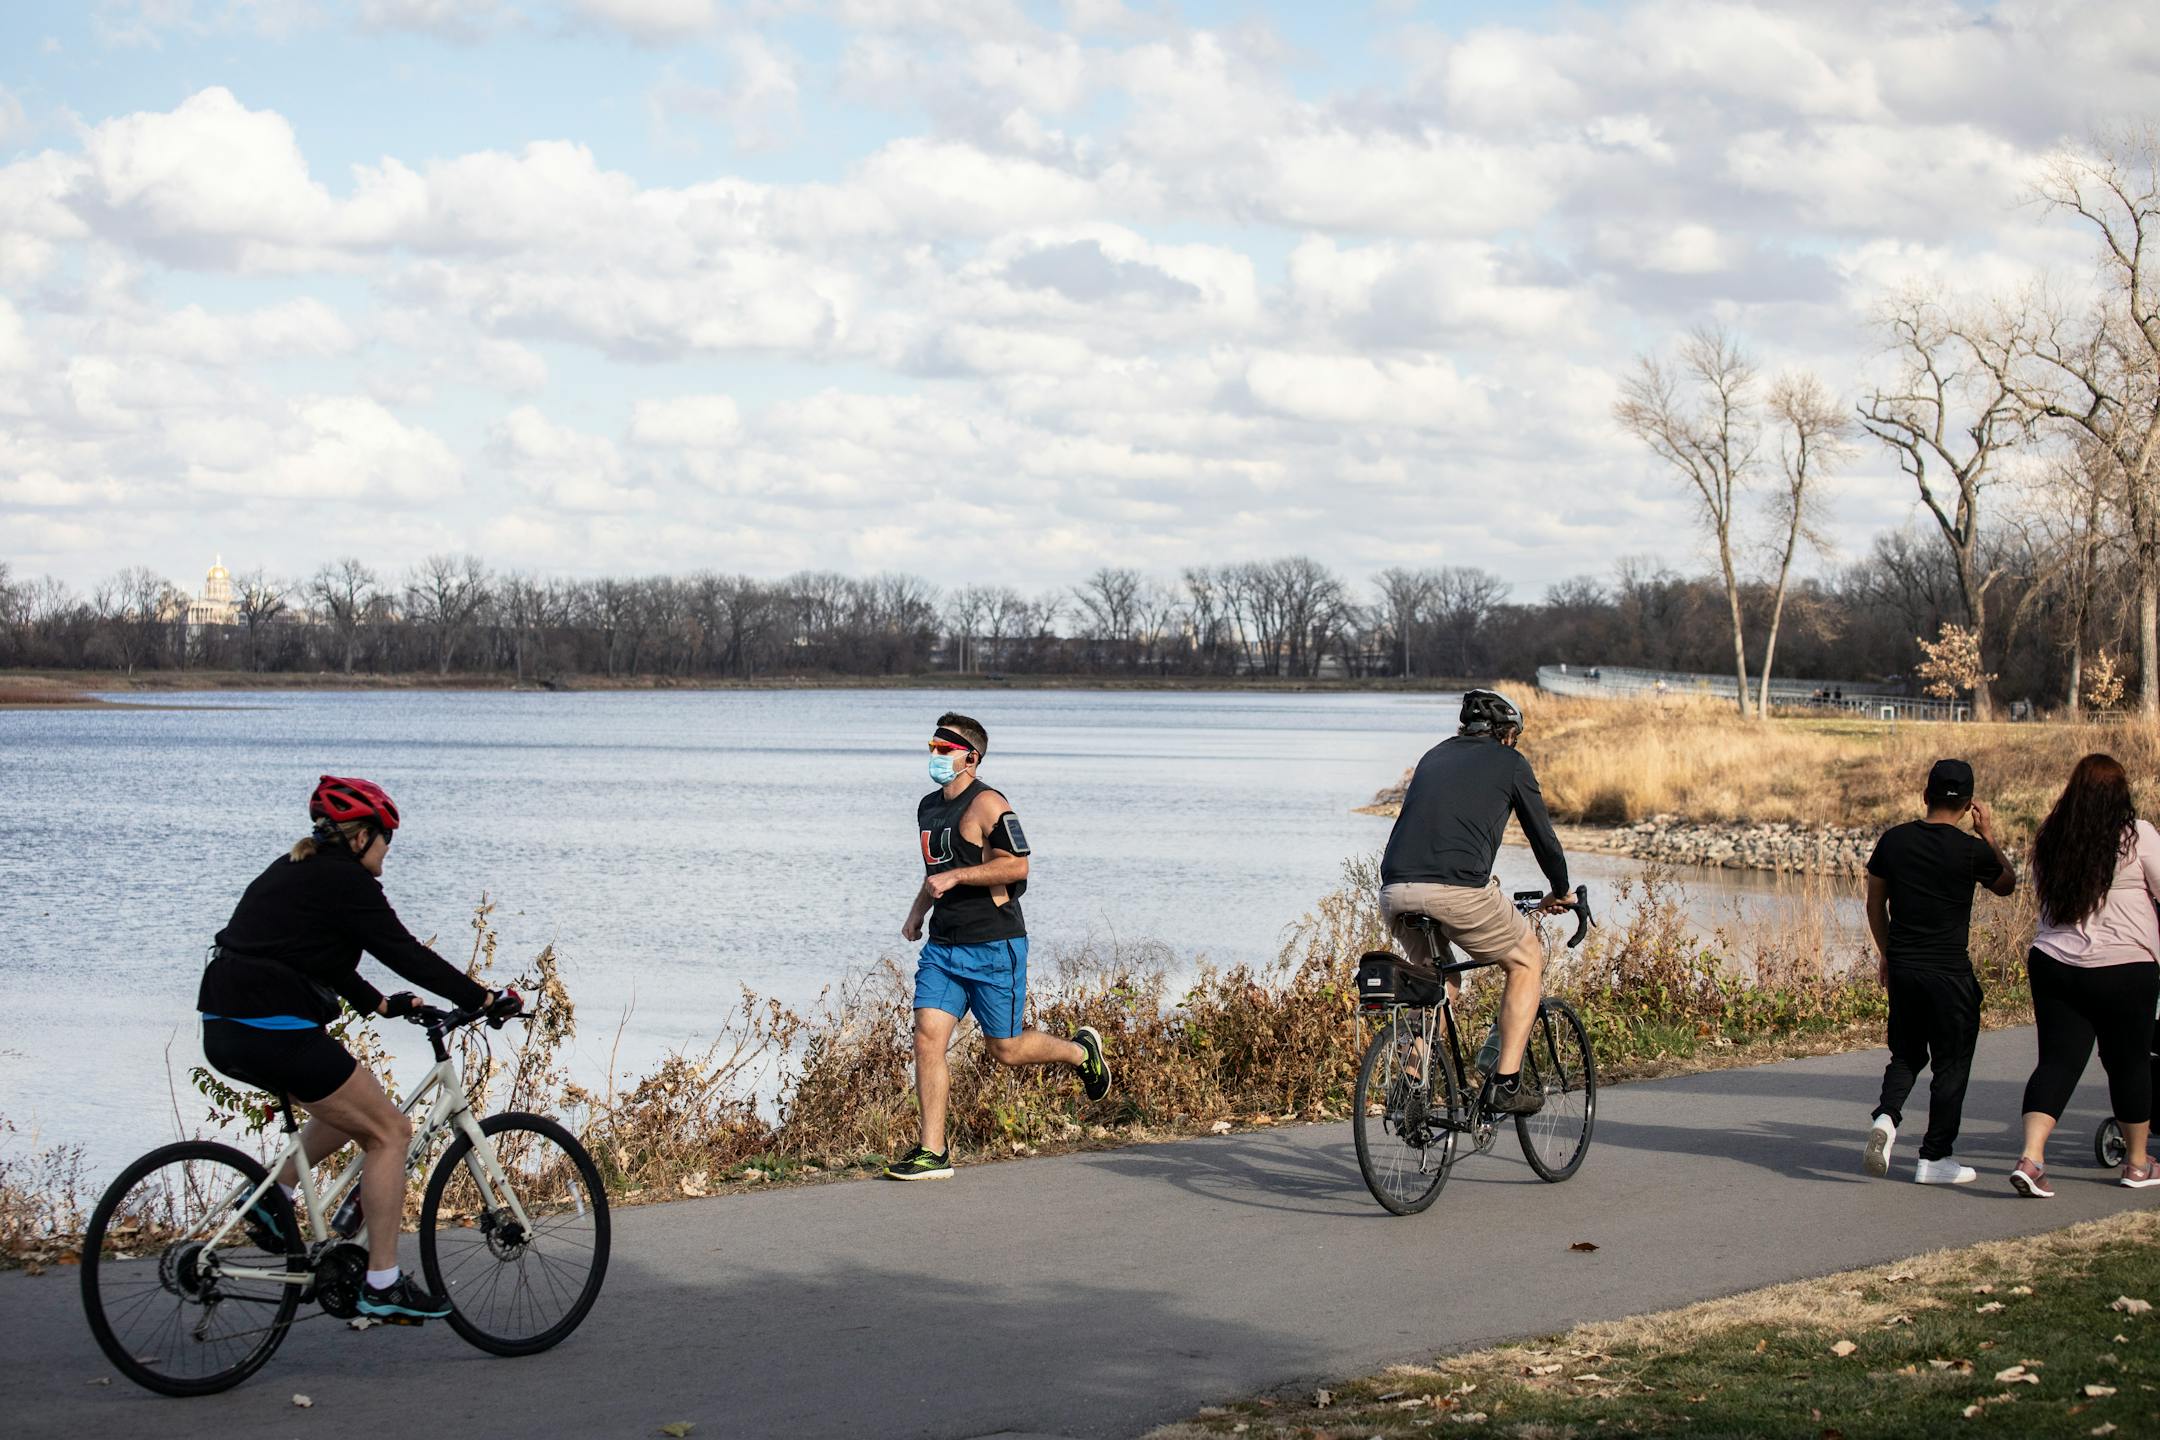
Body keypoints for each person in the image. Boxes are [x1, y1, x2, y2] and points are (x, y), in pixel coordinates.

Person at [196, 775, 521, 1320]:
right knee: (391, 1131)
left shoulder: (295, 870)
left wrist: (381, 1006)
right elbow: (404, 951)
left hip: (227, 1026)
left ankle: (273, 1203)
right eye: (386, 837)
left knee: (349, 1108)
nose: (388, 849)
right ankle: (382, 1282)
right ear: (361, 836)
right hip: (273, 1028)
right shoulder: (346, 882)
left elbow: (318, 956)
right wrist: (482, 997)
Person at [885, 713, 1110, 1181]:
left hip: (994, 943)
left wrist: (959, 877)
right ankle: (933, 1152)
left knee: (1004, 1049)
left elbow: (1018, 867)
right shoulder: (928, 807)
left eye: (944, 750)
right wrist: (916, 913)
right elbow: (937, 870)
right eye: (932, 747)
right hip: (943, 947)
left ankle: (1080, 1053)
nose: (935, 757)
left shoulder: (990, 804)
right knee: (927, 1037)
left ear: (971, 757)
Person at [1378, 689, 1571, 1116]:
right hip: (1459, 891)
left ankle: (1411, 1084)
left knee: (1440, 981)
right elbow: (1544, 838)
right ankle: (1506, 1082)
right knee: (1525, 960)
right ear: (1507, 735)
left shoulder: (1433, 756)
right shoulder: (1511, 763)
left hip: (1395, 890)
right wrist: (1560, 890)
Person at [2009, 753, 2160, 1196]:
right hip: (2124, 967)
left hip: (2055, 964)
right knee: (2129, 1062)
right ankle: (2136, 1164)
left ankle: (2031, 1158)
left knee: (2057, 1061)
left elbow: (2042, 894)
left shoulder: (2053, 838)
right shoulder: (2137, 837)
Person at [1861, 759, 2015, 1185]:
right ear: (1968, 805)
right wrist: (1988, 835)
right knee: (1951, 1063)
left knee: (1907, 1053)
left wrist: (1889, 953)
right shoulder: (1971, 850)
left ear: (1925, 796)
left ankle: (1886, 1120)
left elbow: (1875, 904)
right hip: (1949, 973)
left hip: (1906, 968)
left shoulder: (1893, 841)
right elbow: (2007, 883)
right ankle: (1934, 1157)